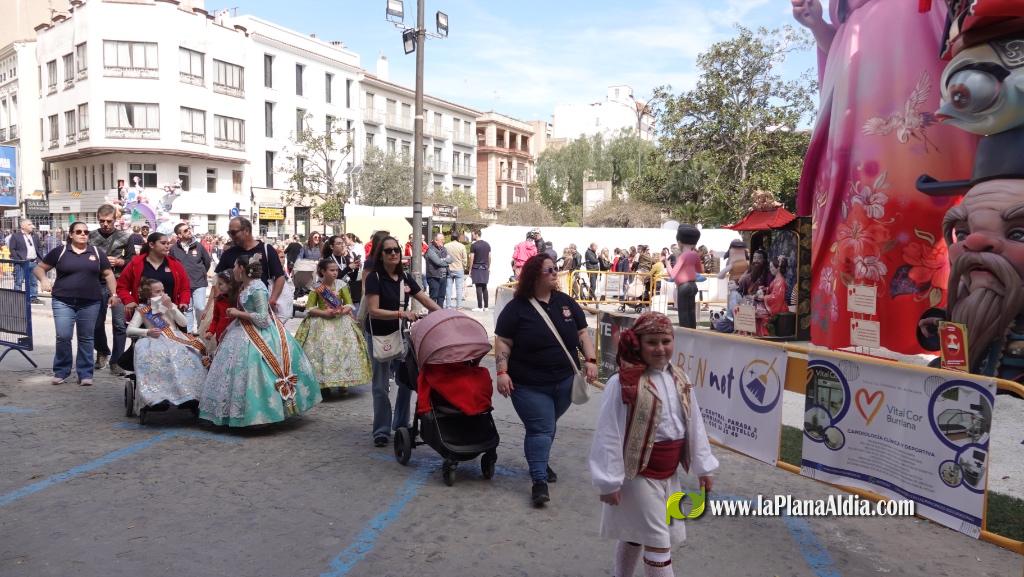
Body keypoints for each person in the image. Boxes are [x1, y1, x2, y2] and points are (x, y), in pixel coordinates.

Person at [791, 0, 976, 353]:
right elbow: (846, 56)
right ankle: (856, 334)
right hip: (852, 130)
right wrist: (819, 26)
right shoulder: (851, 13)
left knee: (917, 203)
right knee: (860, 219)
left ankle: (932, 336)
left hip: (917, 95)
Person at [589, 312, 718, 577]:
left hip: (668, 475)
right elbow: (609, 433)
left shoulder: (679, 378)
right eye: (652, 342)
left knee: (636, 532)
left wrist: (704, 466)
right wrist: (608, 480)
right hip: (638, 475)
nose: (660, 348)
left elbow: (694, 423)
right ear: (638, 344)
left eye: (666, 341)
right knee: (660, 542)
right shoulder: (623, 383)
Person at [495, 253, 598, 507]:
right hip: (528, 384)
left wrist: (591, 360)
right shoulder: (517, 308)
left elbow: (582, 332)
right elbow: (503, 341)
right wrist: (502, 372)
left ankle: (539, 460)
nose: (555, 273)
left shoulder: (565, 302)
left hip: (564, 381)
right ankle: (539, 480)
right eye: (549, 270)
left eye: (555, 269)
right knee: (541, 428)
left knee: (547, 426)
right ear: (534, 276)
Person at [199, 253, 321, 427]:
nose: (233, 269)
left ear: (242, 268)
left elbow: (263, 319)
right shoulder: (245, 286)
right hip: (241, 331)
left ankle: (262, 414)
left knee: (256, 371)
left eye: (235, 266)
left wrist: (238, 313)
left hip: (259, 335)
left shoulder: (257, 287)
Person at [364, 236, 440, 446]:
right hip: (380, 336)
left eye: (396, 250)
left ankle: (400, 424)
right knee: (380, 386)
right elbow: (373, 311)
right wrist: (401, 314)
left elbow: (423, 298)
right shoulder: (375, 278)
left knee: (406, 381)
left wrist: (445, 314)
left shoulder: (405, 277)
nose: (394, 254)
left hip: (402, 336)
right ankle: (381, 430)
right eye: (388, 251)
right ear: (381, 255)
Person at [34, 221, 119, 386]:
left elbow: (108, 274)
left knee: (86, 338)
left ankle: (85, 373)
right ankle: (61, 371)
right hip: (62, 301)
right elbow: (39, 268)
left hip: (90, 302)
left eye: (86, 232)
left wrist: (113, 293)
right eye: (79, 231)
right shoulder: (60, 251)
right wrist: (44, 279)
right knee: (63, 336)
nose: (83, 234)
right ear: (71, 234)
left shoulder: (96, 252)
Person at [126, 278, 210, 412]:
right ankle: (157, 398)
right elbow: (129, 330)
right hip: (154, 339)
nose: (162, 294)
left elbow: (183, 324)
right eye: (157, 292)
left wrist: (171, 307)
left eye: (163, 290)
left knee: (189, 355)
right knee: (156, 356)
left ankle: (189, 395)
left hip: (175, 337)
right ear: (148, 294)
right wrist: (147, 331)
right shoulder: (142, 309)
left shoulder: (169, 304)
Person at [295, 259, 372, 394]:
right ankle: (324, 383)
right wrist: (323, 313)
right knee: (322, 352)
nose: (335, 273)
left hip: (341, 322)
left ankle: (344, 382)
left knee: (344, 351)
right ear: (323, 271)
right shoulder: (316, 288)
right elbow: (310, 308)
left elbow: (349, 304)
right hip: (321, 322)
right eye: (331, 270)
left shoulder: (341, 285)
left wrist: (341, 311)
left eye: (336, 270)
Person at [89, 204, 136, 375]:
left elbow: (132, 259)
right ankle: (102, 351)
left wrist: (120, 262)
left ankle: (116, 361)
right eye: (102, 221)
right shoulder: (90, 236)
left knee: (119, 324)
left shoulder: (126, 236)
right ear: (97, 219)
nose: (105, 224)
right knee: (95, 323)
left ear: (115, 220)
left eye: (109, 221)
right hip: (96, 283)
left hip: (119, 283)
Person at [213, 217, 286, 310]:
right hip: (232, 310)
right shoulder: (228, 253)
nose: (231, 236)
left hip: (260, 308)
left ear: (246, 230)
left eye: (234, 232)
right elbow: (217, 279)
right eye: (229, 233)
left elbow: (280, 277)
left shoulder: (266, 250)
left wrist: (272, 300)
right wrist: (215, 302)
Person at [116, 232, 191, 313]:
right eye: (163, 243)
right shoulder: (136, 263)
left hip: (169, 313)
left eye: (168, 243)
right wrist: (129, 300)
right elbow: (122, 287)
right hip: (143, 313)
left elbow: (185, 288)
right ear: (151, 245)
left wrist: (184, 301)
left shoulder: (175, 264)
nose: (167, 246)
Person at [170, 223, 213, 334]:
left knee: (200, 307)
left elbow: (207, 261)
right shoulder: (174, 249)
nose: (189, 231)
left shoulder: (198, 246)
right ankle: (188, 334)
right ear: (179, 235)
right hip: (183, 285)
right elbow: (171, 265)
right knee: (187, 309)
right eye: (185, 230)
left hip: (199, 282)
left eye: (189, 229)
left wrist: (201, 272)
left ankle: (200, 330)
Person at [668, 228, 703, 329]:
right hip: (693, 285)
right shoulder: (695, 255)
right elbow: (699, 270)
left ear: (679, 242)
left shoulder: (683, 256)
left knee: (683, 313)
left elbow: (673, 274)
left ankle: (685, 334)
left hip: (683, 286)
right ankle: (693, 332)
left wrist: (668, 264)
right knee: (691, 312)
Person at [203, 271, 238, 354]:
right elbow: (215, 318)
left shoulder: (238, 300)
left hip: (233, 336)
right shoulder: (219, 300)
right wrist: (211, 331)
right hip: (220, 336)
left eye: (221, 284)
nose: (218, 287)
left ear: (230, 285)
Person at [755, 256, 790, 336]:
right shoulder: (777, 279)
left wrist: (763, 297)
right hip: (776, 305)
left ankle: (765, 333)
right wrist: (765, 289)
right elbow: (772, 290)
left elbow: (776, 297)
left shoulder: (780, 281)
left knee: (759, 313)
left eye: (772, 267)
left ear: (777, 268)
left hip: (779, 307)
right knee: (757, 310)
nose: (770, 269)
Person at [9, 219, 42, 304]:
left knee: (33, 282)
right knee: (19, 281)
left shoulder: (35, 236)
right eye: (30, 224)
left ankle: (33, 297)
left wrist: (39, 259)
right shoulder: (16, 236)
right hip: (21, 263)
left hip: (33, 262)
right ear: (23, 226)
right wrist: (18, 259)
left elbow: (39, 248)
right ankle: (17, 298)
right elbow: (12, 249)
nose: (32, 226)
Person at [717, 240, 750, 321]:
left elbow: (720, 275)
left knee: (733, 304)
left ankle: (734, 320)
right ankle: (737, 320)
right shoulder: (747, 263)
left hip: (737, 289)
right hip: (742, 289)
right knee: (740, 304)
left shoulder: (733, 264)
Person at [425, 233, 452, 307]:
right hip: (434, 277)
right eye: (442, 240)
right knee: (433, 298)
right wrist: (445, 260)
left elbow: (451, 259)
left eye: (444, 239)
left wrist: (443, 260)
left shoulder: (444, 249)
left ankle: (439, 315)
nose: (444, 241)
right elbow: (438, 262)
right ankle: (432, 316)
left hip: (443, 277)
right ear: (436, 240)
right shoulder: (431, 250)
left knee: (441, 298)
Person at [469, 230, 491, 311]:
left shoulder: (474, 245)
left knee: (478, 286)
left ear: (476, 234)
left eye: (473, 234)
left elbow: (472, 258)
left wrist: (470, 269)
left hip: (476, 267)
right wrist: (489, 267)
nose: (472, 236)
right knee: (484, 287)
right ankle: (486, 307)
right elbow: (489, 257)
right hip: (485, 267)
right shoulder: (487, 244)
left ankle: (479, 307)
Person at [445, 232, 467, 310]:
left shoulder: (446, 246)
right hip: (459, 269)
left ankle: (448, 306)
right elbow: (464, 259)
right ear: (458, 238)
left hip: (449, 269)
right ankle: (459, 306)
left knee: (448, 288)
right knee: (459, 288)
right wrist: (464, 266)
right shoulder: (462, 246)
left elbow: (444, 257)